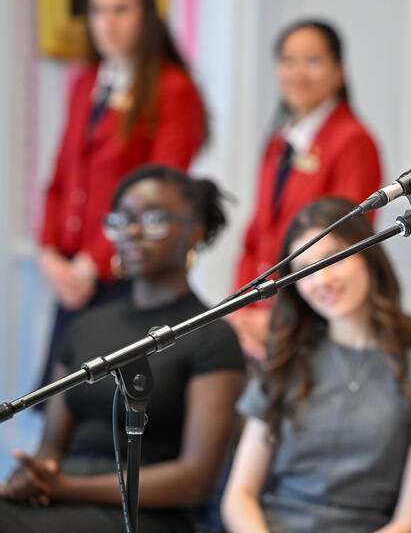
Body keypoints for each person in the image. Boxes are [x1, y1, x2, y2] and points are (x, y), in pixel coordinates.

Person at [0, 165, 245, 533]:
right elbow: (51, 447)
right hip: (62, 499)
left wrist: (68, 487)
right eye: (122, 219)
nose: (131, 231)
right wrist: (34, 476)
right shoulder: (85, 325)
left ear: (194, 232)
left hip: (146, 513)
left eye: (153, 219)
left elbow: (197, 479)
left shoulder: (211, 335)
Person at [221, 197, 411, 533]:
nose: (321, 281)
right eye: (304, 271)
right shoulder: (287, 359)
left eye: (333, 259)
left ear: (368, 255)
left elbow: (410, 522)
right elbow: (239, 497)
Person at [38, 0, 207, 389]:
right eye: (97, 10)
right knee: (60, 399)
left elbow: (161, 193)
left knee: (111, 399)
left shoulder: (172, 89)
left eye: (120, 9)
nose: (107, 23)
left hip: (124, 271)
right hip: (71, 272)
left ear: (146, 15)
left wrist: (90, 264)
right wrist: (49, 253)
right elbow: (61, 176)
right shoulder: (85, 82)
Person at [231, 20, 382, 360]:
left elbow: (343, 242)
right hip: (261, 319)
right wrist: (242, 309)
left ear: (339, 72)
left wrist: (279, 316)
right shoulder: (278, 142)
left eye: (313, 60)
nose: (298, 72)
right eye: (288, 60)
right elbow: (257, 233)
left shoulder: (353, 141)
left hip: (313, 314)